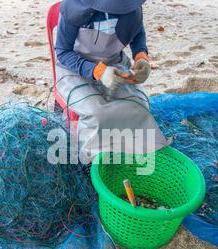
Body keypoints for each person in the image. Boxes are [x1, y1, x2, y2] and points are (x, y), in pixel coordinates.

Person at [55, 0, 168, 164]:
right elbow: (63, 52)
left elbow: (137, 34)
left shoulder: (131, 7)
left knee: (139, 106)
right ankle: (92, 162)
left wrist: (141, 57)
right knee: (97, 112)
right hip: (76, 67)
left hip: (114, 63)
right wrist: (98, 71)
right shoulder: (74, 8)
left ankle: (129, 157)